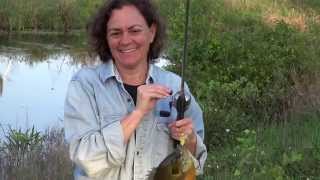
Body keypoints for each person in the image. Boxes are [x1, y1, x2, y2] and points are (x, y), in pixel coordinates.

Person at [64, 0, 207, 179]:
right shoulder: (85, 85)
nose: (125, 40)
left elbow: (193, 166)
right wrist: (137, 114)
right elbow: (86, 158)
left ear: (152, 33)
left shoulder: (175, 86)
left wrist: (190, 140)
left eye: (135, 31)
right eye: (116, 33)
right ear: (106, 38)